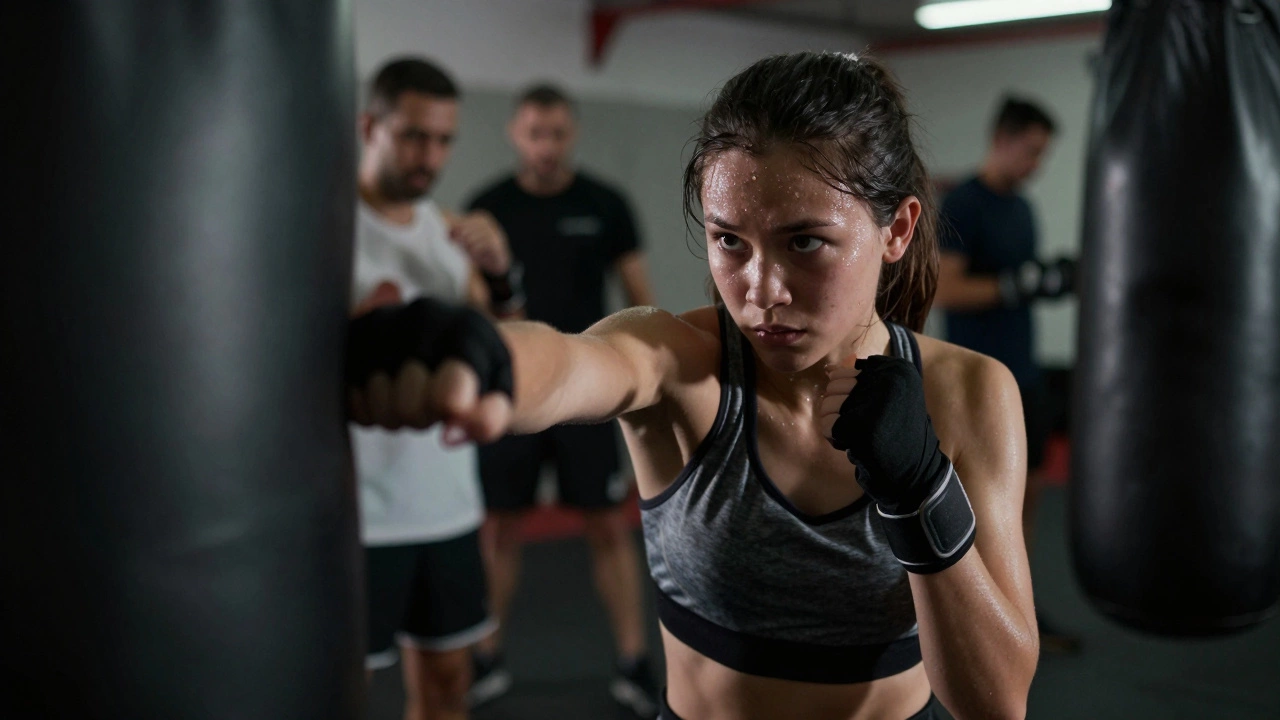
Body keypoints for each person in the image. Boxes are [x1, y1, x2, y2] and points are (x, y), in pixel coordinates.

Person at [349, 52, 1039, 720]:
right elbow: (573, 363)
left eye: (805, 242)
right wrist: (480, 355)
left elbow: (997, 702)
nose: (760, 291)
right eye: (730, 241)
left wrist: (921, 493)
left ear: (897, 230)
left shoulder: (968, 394)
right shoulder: (682, 364)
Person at [463, 84, 659, 715]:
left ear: (571, 134)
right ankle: (485, 656)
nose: (546, 146)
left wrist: (647, 381)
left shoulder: (605, 204)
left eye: (556, 134)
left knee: (608, 525)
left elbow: (639, 299)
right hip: (513, 394)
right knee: (503, 528)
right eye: (534, 134)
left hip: (590, 395)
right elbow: (473, 306)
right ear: (516, 136)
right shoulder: (487, 208)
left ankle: (633, 660)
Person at [351, 56, 521, 720]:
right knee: (341, 691)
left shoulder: (452, 237)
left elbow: (505, 348)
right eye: (414, 135)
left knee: (450, 681)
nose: (431, 155)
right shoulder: (324, 231)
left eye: (444, 139)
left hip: (447, 504)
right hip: (357, 513)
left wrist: (502, 276)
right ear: (371, 127)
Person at [931, 96, 1079, 653]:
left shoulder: (1022, 207)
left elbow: (1021, 282)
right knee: (980, 503)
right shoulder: (963, 205)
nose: (1036, 164)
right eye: (1032, 151)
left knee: (1031, 494)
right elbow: (945, 288)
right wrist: (1018, 285)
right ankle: (969, 616)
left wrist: (1049, 279)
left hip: (1026, 373)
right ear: (1003, 139)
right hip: (975, 378)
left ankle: (1018, 605)